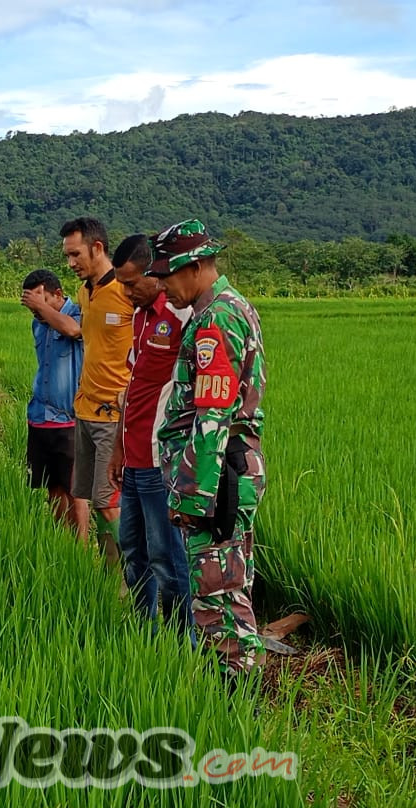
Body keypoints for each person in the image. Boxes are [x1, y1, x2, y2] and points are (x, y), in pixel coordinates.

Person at [147, 219, 267, 678]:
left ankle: (233, 696)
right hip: (226, 469)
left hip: (218, 475)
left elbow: (212, 415)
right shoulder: (221, 308)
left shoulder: (216, 317)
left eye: (167, 275)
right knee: (227, 586)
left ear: (196, 267)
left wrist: (195, 498)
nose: (162, 286)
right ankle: (233, 686)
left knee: (217, 596)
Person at [106, 234, 194, 635]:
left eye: (130, 283)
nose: (125, 292)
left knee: (168, 557)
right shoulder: (140, 318)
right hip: (134, 457)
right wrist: (118, 451)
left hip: (162, 461)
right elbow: (133, 386)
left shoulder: (181, 315)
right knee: (133, 552)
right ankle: (143, 631)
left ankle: (183, 643)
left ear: (155, 275)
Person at [60, 217, 133, 564]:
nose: (71, 263)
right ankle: (112, 577)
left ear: (98, 248)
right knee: (93, 497)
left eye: (75, 254)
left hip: (112, 415)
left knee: (108, 502)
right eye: (67, 256)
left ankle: (137, 575)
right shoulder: (84, 292)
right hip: (85, 410)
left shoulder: (125, 291)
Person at [19, 268, 87, 529]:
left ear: (57, 294)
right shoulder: (39, 323)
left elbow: (73, 331)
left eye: (40, 300)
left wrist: (43, 309)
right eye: (30, 304)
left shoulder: (79, 313)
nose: (35, 310)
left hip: (69, 419)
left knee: (75, 491)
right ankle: (62, 545)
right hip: (40, 417)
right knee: (52, 488)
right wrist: (41, 312)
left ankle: (80, 553)